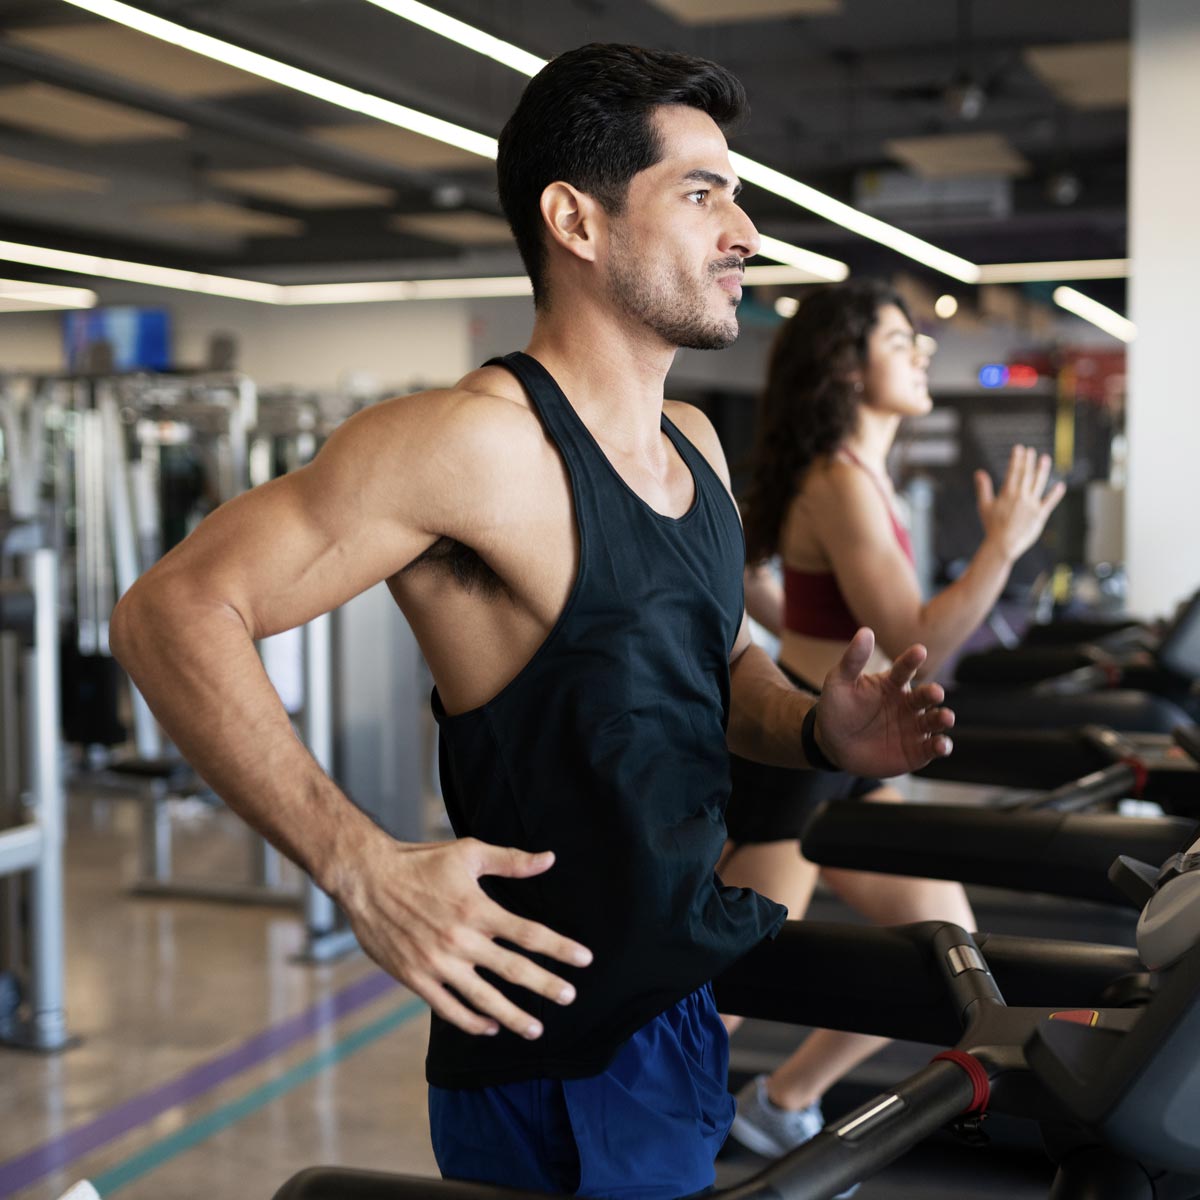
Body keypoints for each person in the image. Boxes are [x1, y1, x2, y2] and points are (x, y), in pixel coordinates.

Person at [111, 47, 955, 1200]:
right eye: (702, 193)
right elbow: (171, 611)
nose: (745, 231)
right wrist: (360, 865)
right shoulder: (470, 443)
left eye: (736, 194)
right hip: (553, 1053)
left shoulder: (695, 446)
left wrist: (819, 733)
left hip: (675, 1009)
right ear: (577, 220)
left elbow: (721, 667)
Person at [722, 280, 1065, 1166]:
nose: (920, 352)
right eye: (899, 339)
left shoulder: (859, 473)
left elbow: (801, 599)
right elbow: (915, 639)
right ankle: (633, 1129)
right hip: (803, 754)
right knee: (724, 986)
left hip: (848, 750)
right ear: (846, 363)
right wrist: (1002, 547)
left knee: (953, 959)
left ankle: (781, 1101)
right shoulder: (840, 478)